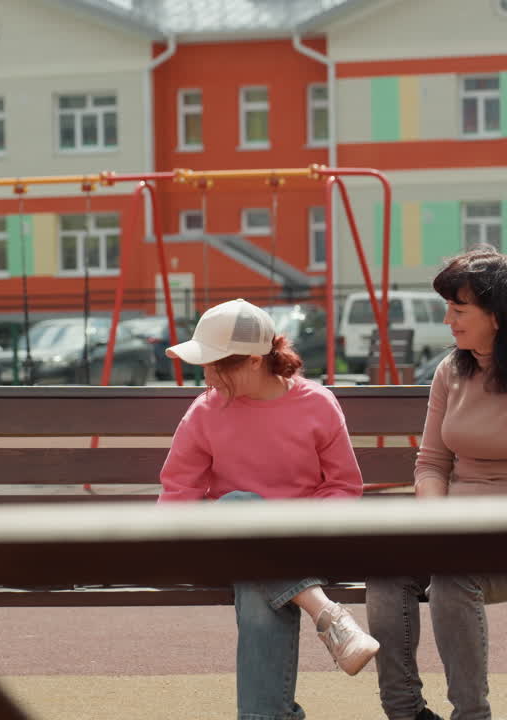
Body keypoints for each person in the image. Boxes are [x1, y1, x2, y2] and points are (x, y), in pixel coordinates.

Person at [366, 247, 507, 720]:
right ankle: (405, 712)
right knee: (385, 569)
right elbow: (431, 463)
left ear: (498, 316)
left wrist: (472, 533)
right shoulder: (452, 370)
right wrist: (438, 521)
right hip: (458, 533)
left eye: (458, 310)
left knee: (452, 577)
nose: (448, 321)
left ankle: (471, 715)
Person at [158, 298, 378, 720]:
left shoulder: (317, 404)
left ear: (255, 361)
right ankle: (328, 615)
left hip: (302, 545)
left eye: (215, 365)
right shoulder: (205, 410)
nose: (206, 377)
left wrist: (285, 532)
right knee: (240, 510)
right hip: (227, 544)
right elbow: (179, 494)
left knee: (257, 581)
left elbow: (343, 487)